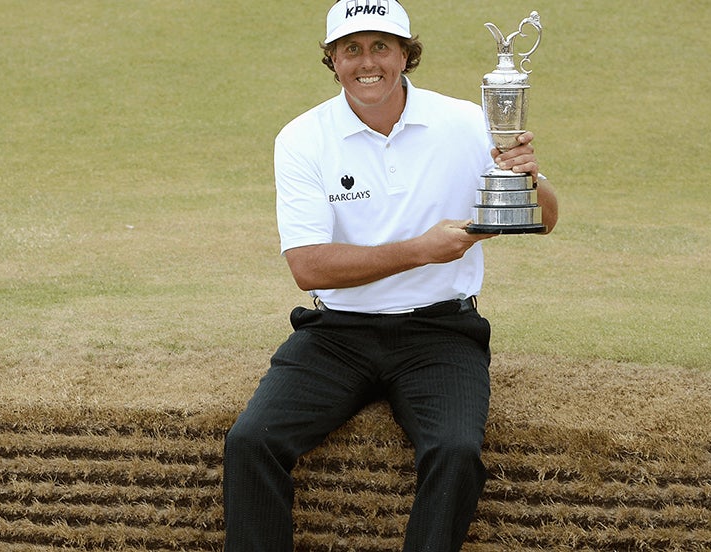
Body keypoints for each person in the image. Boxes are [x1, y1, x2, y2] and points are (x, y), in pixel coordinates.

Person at [222, 1, 559, 551]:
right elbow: (307, 265)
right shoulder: (302, 137)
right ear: (332, 60)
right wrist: (422, 250)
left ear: (406, 53)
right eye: (351, 49)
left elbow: (544, 221)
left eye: (381, 46)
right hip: (338, 334)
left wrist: (526, 178)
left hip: (442, 332)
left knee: (453, 451)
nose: (367, 62)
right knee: (250, 441)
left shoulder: (467, 121)